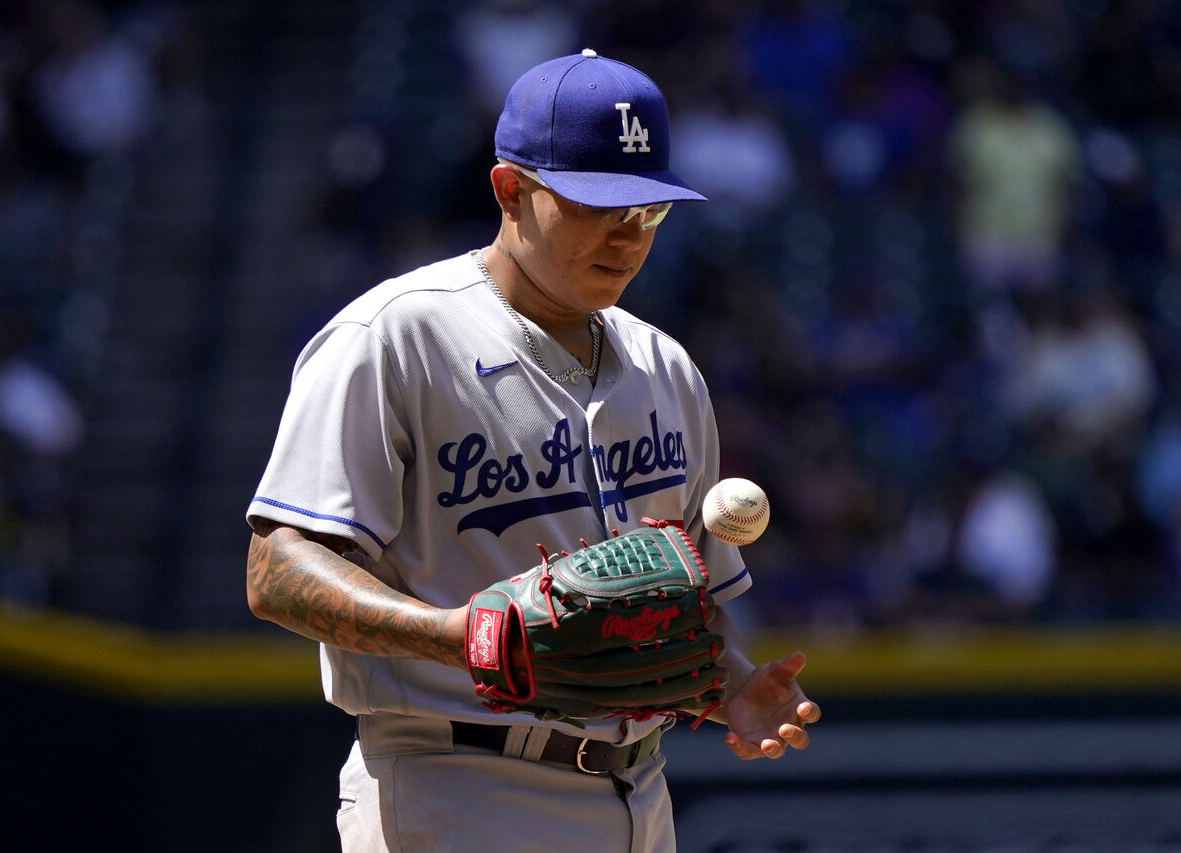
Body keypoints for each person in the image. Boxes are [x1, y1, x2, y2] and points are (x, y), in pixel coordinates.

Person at [245, 49, 820, 853]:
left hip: (641, 793)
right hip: (457, 783)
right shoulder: (396, 337)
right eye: (597, 204)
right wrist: (458, 635)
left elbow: (676, 607)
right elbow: (276, 569)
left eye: (649, 209)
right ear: (510, 190)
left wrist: (732, 685)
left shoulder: (666, 368)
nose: (628, 235)